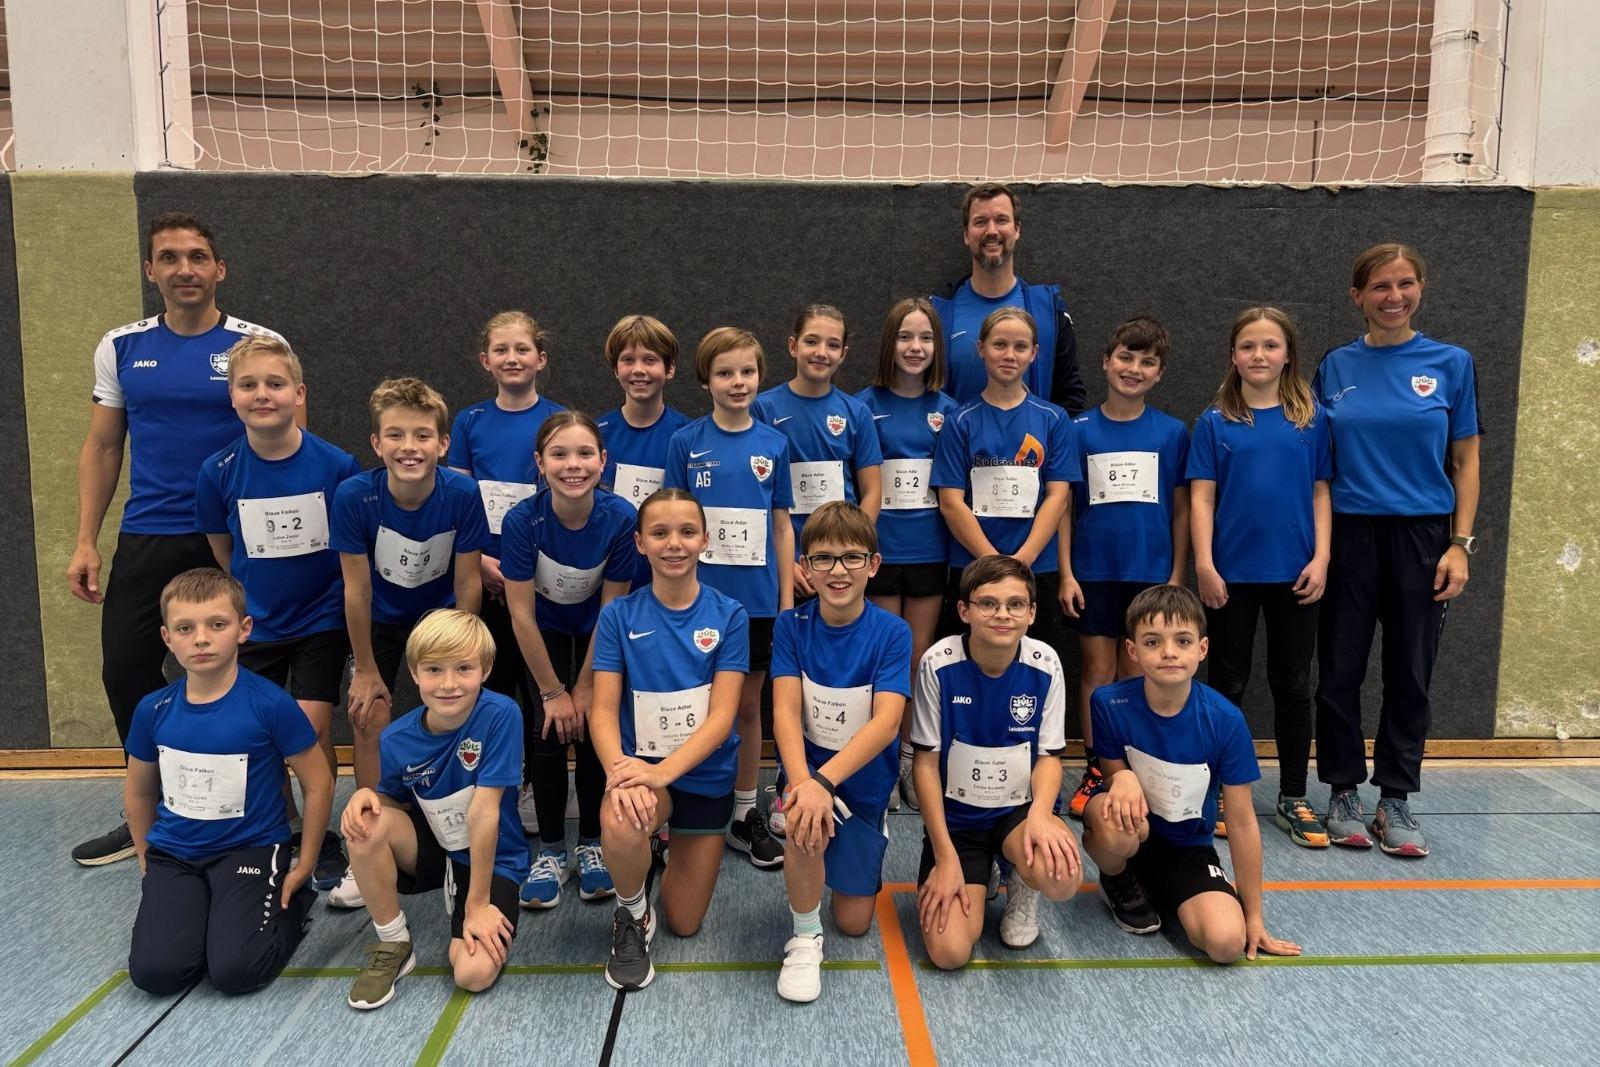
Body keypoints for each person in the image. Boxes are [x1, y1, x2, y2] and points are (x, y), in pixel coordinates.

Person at [70, 211, 293, 867]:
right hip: (150, 534)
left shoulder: (258, 343)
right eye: (169, 257)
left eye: (197, 256)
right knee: (128, 669)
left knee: (254, 673)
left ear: (219, 268)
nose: (184, 269)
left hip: (236, 535)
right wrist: (87, 538)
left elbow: (286, 441)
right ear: (151, 270)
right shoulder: (121, 345)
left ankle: (267, 812)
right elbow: (104, 445)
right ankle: (159, 805)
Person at [1312, 243, 1480, 858]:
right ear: (1358, 296)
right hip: (1350, 535)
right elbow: (1317, 463)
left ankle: (1397, 799)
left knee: (1411, 671)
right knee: (1340, 671)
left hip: (1423, 538)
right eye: (1380, 286)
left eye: (1405, 284)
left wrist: (1459, 544)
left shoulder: (1451, 363)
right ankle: (1342, 792)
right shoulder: (1334, 365)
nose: (1394, 297)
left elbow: (1465, 461)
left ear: (1421, 289)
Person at [196, 334, 361, 889]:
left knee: (309, 732)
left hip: (320, 620)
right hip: (257, 624)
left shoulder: (337, 465)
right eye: (248, 385)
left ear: (298, 393)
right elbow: (225, 551)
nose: (261, 394)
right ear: (232, 396)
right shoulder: (217, 471)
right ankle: (287, 829)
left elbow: (350, 550)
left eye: (274, 384)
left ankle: (321, 838)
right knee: (258, 735)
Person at [124, 568, 330, 995]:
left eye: (216, 624)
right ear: (167, 638)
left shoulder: (271, 704)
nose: (201, 638)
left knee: (237, 971)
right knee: (155, 974)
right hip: (177, 854)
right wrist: (146, 855)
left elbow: (319, 782)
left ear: (243, 629)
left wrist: (305, 862)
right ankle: (207, 914)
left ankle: (290, 910)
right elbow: (140, 790)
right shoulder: (152, 710)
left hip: (249, 849)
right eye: (185, 628)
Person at [328, 378, 492, 905]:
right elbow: (356, 588)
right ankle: (369, 838)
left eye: (422, 435)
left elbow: (469, 581)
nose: (409, 447)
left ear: (443, 444)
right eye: (395, 435)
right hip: (378, 616)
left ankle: (452, 825)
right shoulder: (355, 496)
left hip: (439, 613)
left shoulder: (463, 494)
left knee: (453, 710)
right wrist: (368, 669)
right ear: (376, 444)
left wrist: (461, 652)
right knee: (370, 711)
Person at [1081, 585, 1301, 963]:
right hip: (1134, 829)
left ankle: (1170, 890)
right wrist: (1124, 778)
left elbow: (1244, 823)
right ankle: (1118, 877)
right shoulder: (1109, 703)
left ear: (1201, 649)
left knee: (1226, 945)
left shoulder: (1225, 721)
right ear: (1133, 651)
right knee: (1111, 821)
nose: (1168, 652)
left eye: (1182, 640)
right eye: (1152, 641)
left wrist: (1254, 916)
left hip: (1189, 849)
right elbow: (1112, 777)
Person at [590, 489, 750, 991]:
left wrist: (664, 771)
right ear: (640, 543)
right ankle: (631, 910)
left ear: (705, 539)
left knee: (683, 922)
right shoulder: (618, 616)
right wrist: (621, 769)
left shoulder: (729, 616)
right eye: (659, 533)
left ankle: (659, 855)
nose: (673, 543)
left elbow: (723, 716)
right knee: (620, 816)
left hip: (703, 776)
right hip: (643, 774)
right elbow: (601, 709)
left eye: (686, 532)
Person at [1188, 307, 1332, 848]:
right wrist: (1204, 564)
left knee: (1293, 685)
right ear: (1233, 355)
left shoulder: (1312, 419)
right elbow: (1201, 497)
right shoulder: (1214, 421)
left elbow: (1322, 493)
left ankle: (1293, 794)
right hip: (1231, 576)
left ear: (1288, 354)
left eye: (1270, 346)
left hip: (1296, 574)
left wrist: (1320, 559)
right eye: (1248, 346)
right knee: (1226, 684)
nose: (1259, 356)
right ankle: (1221, 789)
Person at [341, 609, 530, 1009]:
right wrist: (366, 797)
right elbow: (390, 802)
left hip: (495, 857)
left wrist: (476, 905)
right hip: (437, 846)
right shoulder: (395, 738)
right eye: (434, 670)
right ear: (414, 672)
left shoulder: (500, 715)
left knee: (471, 974)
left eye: (463, 668)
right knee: (365, 824)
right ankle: (394, 944)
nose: (448, 684)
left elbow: (484, 812)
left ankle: (464, 896)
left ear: (486, 668)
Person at [770, 502, 912, 1002]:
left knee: (853, 924)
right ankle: (805, 936)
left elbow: (887, 722)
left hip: (860, 779)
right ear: (804, 567)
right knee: (803, 823)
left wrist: (825, 782)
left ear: (873, 565)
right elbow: (786, 713)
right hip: (808, 777)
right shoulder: (790, 626)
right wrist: (803, 784)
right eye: (823, 559)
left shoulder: (893, 632)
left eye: (851, 558)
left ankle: (869, 827)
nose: (837, 571)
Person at [664, 328, 795, 869]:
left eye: (746, 372)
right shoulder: (686, 443)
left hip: (758, 605)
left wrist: (787, 600)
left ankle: (744, 811)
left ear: (759, 378)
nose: (736, 382)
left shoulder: (774, 444)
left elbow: (782, 524)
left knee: (745, 707)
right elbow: (671, 522)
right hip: (695, 604)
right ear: (705, 381)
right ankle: (678, 807)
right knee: (690, 705)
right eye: (724, 373)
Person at [912, 555, 1082, 970]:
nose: (1002, 614)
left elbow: (1049, 758)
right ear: (964, 611)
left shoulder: (1045, 663)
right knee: (950, 953)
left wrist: (1041, 815)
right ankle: (978, 868)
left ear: (1032, 613)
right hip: (960, 824)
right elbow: (924, 765)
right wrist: (945, 856)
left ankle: (1022, 884)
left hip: (1017, 815)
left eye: (1015, 604)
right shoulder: (938, 662)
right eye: (988, 603)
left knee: (1062, 877)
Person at [499, 412, 638, 907]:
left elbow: (612, 607)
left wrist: (584, 688)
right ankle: (553, 851)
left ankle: (593, 845)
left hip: (598, 630)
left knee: (598, 722)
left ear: (603, 461)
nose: (572, 465)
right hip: (544, 630)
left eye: (584, 454)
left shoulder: (621, 519)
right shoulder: (522, 521)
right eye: (558, 454)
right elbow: (519, 613)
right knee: (551, 727)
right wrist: (554, 693)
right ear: (539, 463)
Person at [1061, 318, 1190, 819]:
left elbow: (1181, 509)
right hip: (1093, 573)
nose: (1133, 369)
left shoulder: (1172, 432)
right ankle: (1099, 768)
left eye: (1147, 362)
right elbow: (1065, 509)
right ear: (1106, 361)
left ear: (1158, 373)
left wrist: (1177, 576)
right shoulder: (1077, 431)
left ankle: (1133, 770)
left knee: (1138, 672)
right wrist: (1067, 572)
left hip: (1151, 576)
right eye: (1125, 358)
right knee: (1097, 672)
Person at [447, 311, 565, 833]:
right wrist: (482, 564)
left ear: (540, 358)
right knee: (492, 691)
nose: (512, 359)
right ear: (485, 360)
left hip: (540, 583)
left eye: (523, 349)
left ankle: (543, 791)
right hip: (482, 577)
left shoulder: (559, 419)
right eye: (502, 350)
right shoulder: (469, 423)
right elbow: (456, 501)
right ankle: (499, 784)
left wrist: (520, 569)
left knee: (540, 687)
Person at [856, 297, 961, 813]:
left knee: (918, 659)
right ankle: (873, 759)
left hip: (928, 550)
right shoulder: (860, 405)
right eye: (905, 337)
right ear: (889, 343)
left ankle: (905, 760)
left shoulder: (950, 410)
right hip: (876, 551)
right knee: (881, 659)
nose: (915, 347)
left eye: (925, 338)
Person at [932, 307, 1080, 648]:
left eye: (1020, 346)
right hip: (972, 566)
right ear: (981, 348)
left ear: (1034, 353)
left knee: (1033, 662)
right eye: (1000, 345)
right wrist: (993, 563)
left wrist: (1021, 561)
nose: (1009, 355)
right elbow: (951, 502)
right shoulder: (959, 421)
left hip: (1035, 567)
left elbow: (1058, 498)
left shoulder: (1053, 420)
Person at [753, 305, 883, 597]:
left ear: (843, 354)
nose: (821, 352)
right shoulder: (763, 408)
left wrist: (850, 553)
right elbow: (757, 495)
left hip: (840, 565)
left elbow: (872, 492)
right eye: (811, 341)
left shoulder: (857, 413)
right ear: (793, 346)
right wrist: (786, 561)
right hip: (785, 560)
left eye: (833, 345)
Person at [931, 183, 1086, 411]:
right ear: (966, 234)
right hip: (959, 445)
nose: (991, 231)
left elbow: (1070, 399)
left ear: (1017, 230)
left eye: (1001, 220)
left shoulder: (1049, 311)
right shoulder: (937, 313)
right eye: (980, 221)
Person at [596, 315, 692, 513]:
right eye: (628, 360)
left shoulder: (689, 436)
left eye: (650, 360)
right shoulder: (594, 435)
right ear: (616, 369)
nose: (638, 370)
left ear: (670, 368)